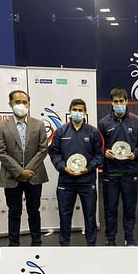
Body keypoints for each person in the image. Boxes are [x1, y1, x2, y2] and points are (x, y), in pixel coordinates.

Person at [0, 90, 48, 246]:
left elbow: (43, 149)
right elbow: (1, 152)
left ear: (29, 104)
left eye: (25, 102)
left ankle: (37, 242)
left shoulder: (39, 124)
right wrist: (19, 172)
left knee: (34, 211)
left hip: (34, 175)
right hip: (11, 177)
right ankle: (14, 245)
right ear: (10, 104)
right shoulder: (2, 126)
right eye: (17, 102)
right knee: (14, 212)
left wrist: (28, 171)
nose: (21, 105)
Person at [50, 99, 103, 246]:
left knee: (90, 215)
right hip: (66, 182)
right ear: (70, 111)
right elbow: (54, 153)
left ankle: (91, 245)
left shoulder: (93, 132)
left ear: (85, 113)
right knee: (64, 216)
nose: (77, 113)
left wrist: (88, 168)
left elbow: (99, 156)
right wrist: (63, 167)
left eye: (80, 110)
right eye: (75, 110)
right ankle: (64, 245)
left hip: (87, 181)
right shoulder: (61, 131)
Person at [98, 87, 138, 246]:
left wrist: (135, 154)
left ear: (126, 101)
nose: (118, 104)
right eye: (115, 101)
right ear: (111, 103)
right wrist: (105, 152)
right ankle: (110, 239)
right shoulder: (104, 123)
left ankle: (129, 238)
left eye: (121, 101)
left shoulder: (136, 121)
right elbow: (98, 146)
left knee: (129, 209)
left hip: (129, 172)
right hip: (111, 173)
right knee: (110, 209)